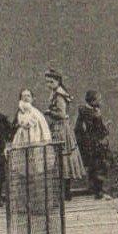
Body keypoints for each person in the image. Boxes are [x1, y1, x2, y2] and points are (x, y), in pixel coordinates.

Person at [44, 68, 85, 198]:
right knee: (59, 157)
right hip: (57, 127)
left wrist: (50, 112)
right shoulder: (55, 93)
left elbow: (62, 114)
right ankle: (63, 190)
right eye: (47, 82)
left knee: (63, 157)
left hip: (61, 129)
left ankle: (66, 192)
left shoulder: (60, 95)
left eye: (51, 82)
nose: (49, 85)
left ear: (58, 81)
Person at [74, 90, 110, 199]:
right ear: (92, 101)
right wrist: (100, 121)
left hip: (90, 144)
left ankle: (94, 188)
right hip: (93, 145)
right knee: (99, 166)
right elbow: (93, 129)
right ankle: (98, 191)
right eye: (99, 100)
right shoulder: (90, 113)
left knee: (94, 166)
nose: (101, 102)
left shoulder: (88, 111)